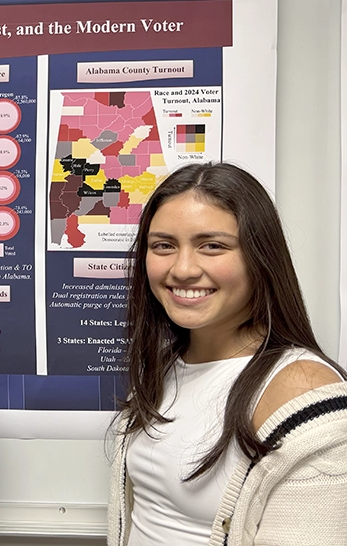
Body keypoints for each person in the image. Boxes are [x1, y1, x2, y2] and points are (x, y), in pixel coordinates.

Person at [109, 162, 347, 545]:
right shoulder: (166, 368)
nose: (182, 269)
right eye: (163, 246)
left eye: (212, 246)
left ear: (260, 258)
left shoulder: (305, 395)